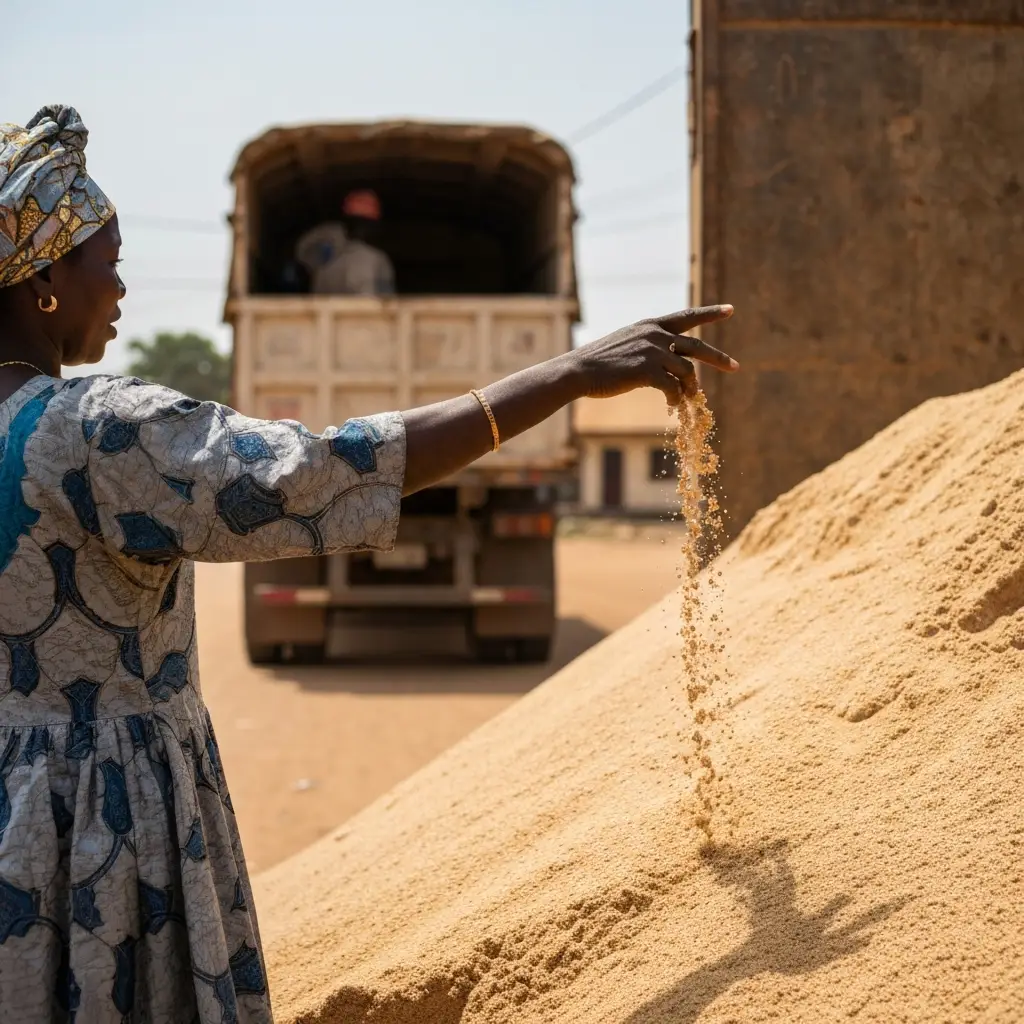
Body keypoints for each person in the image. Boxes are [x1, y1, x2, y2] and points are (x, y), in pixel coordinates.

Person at [0, 105, 738, 1023]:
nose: (120, 287)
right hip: (104, 825)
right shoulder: (92, 431)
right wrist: (571, 374)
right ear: (42, 281)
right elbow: (311, 474)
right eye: (105, 262)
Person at [293, 189, 396, 296]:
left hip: (363, 308)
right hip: (328, 307)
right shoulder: (329, 236)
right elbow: (306, 259)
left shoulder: (378, 257)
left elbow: (386, 296)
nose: (364, 206)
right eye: (360, 202)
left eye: (369, 204)